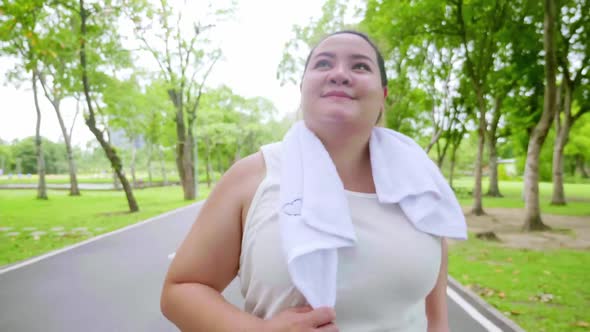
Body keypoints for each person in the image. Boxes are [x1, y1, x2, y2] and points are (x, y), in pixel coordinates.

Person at [161, 30, 464, 332]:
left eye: (360, 66)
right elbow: (181, 289)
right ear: (303, 87)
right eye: (323, 64)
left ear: (383, 95)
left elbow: (435, 317)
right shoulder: (254, 176)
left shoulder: (419, 181)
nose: (339, 74)